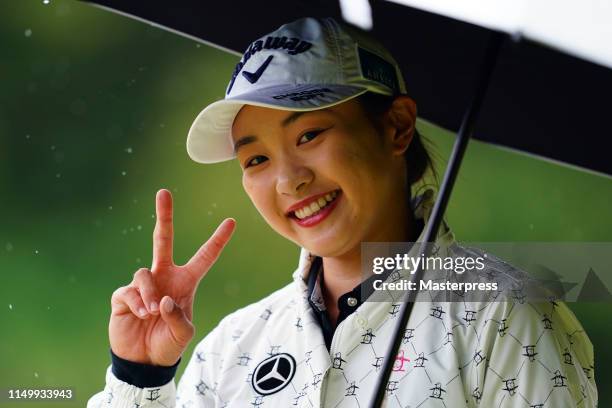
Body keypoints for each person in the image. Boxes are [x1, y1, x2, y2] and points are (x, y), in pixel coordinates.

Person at [87, 17, 597, 407]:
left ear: (396, 127)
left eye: (309, 135)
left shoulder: (508, 318)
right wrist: (140, 376)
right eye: (257, 158)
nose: (288, 180)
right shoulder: (233, 346)